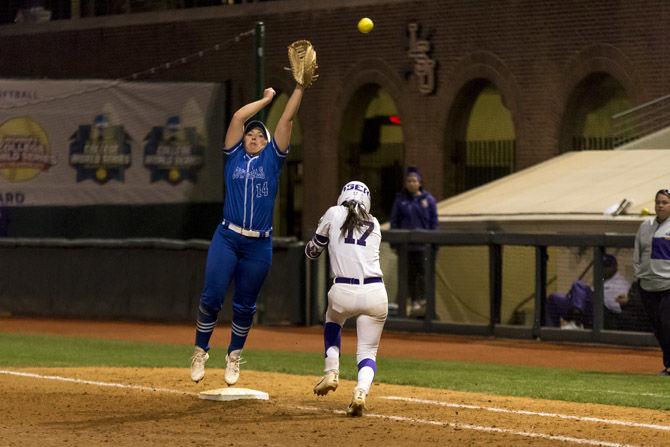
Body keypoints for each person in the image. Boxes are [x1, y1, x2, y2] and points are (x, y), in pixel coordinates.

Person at [189, 82, 305, 385]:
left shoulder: (272, 160)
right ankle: (201, 349)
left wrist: (300, 88)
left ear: (268, 144)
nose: (253, 137)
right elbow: (239, 118)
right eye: (250, 135)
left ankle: (234, 356)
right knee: (212, 296)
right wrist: (266, 99)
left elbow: (286, 121)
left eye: (259, 136)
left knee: (244, 304)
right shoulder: (234, 157)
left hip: (258, 244)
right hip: (227, 237)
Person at [305, 180, 388, 417]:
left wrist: (319, 238)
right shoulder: (375, 223)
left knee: (332, 322)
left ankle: (331, 371)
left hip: (343, 290)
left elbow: (312, 252)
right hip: (375, 292)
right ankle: (361, 391)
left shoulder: (333, 212)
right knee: (368, 352)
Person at [389, 166, 438, 317]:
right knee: (407, 275)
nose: (412, 183)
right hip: (405, 248)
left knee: (422, 274)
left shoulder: (428, 200)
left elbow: (433, 223)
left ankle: (422, 302)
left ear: (420, 182)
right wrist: (394, 243)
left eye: (414, 180)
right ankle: (408, 303)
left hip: (423, 247)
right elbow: (394, 222)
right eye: (409, 181)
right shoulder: (400, 200)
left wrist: (435, 244)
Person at [633, 188, 670, 376]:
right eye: (658, 202)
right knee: (658, 326)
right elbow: (637, 253)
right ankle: (669, 365)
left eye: (665, 202)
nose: (660, 205)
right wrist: (639, 274)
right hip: (648, 285)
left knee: (667, 323)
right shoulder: (645, 225)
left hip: (668, 286)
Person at [545, 254, 630, 329]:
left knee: (578, 285)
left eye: (607, 266)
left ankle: (576, 322)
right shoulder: (601, 280)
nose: (603, 269)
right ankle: (551, 334)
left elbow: (618, 308)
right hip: (587, 310)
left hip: (605, 316)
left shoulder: (622, 284)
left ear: (614, 267)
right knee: (554, 299)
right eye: (601, 266)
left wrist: (597, 298)